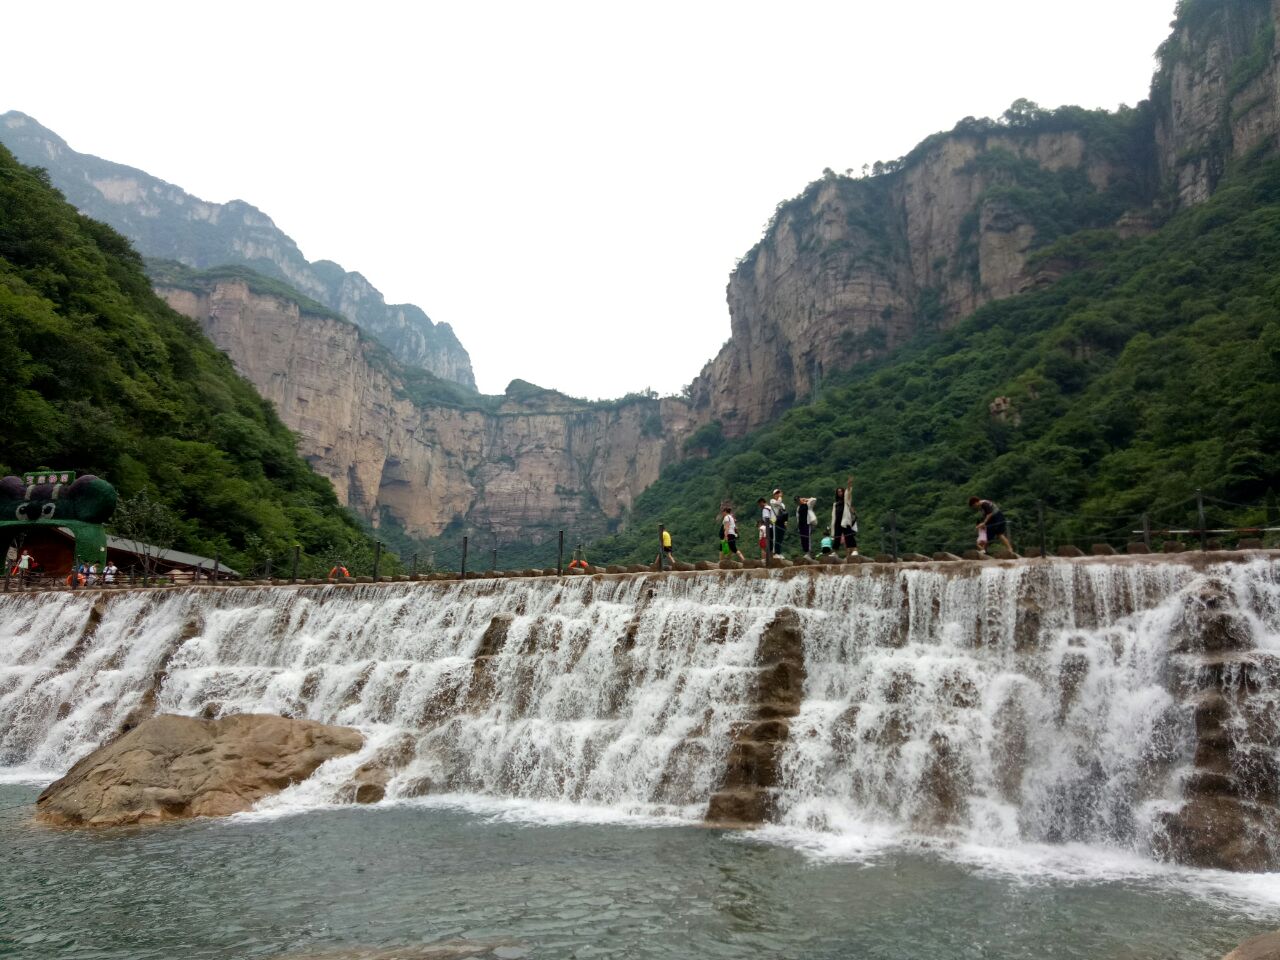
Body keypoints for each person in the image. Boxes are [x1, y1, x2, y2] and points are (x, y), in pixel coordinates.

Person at [831, 477, 859, 559]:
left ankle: (855, 550)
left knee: (849, 535)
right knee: (837, 537)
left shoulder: (846, 500)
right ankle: (835, 552)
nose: (840, 493)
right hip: (837, 522)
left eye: (841, 491)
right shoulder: (835, 504)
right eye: (838, 492)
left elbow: (849, 492)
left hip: (845, 520)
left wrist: (849, 484)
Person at [769, 488, 788, 558]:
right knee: (775, 537)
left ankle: (779, 552)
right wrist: (780, 497)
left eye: (779, 493)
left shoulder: (783, 504)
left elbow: (784, 513)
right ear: (774, 495)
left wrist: (786, 521)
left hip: (781, 522)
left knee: (780, 537)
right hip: (775, 521)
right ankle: (775, 553)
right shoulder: (772, 501)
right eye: (776, 493)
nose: (778, 494)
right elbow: (778, 503)